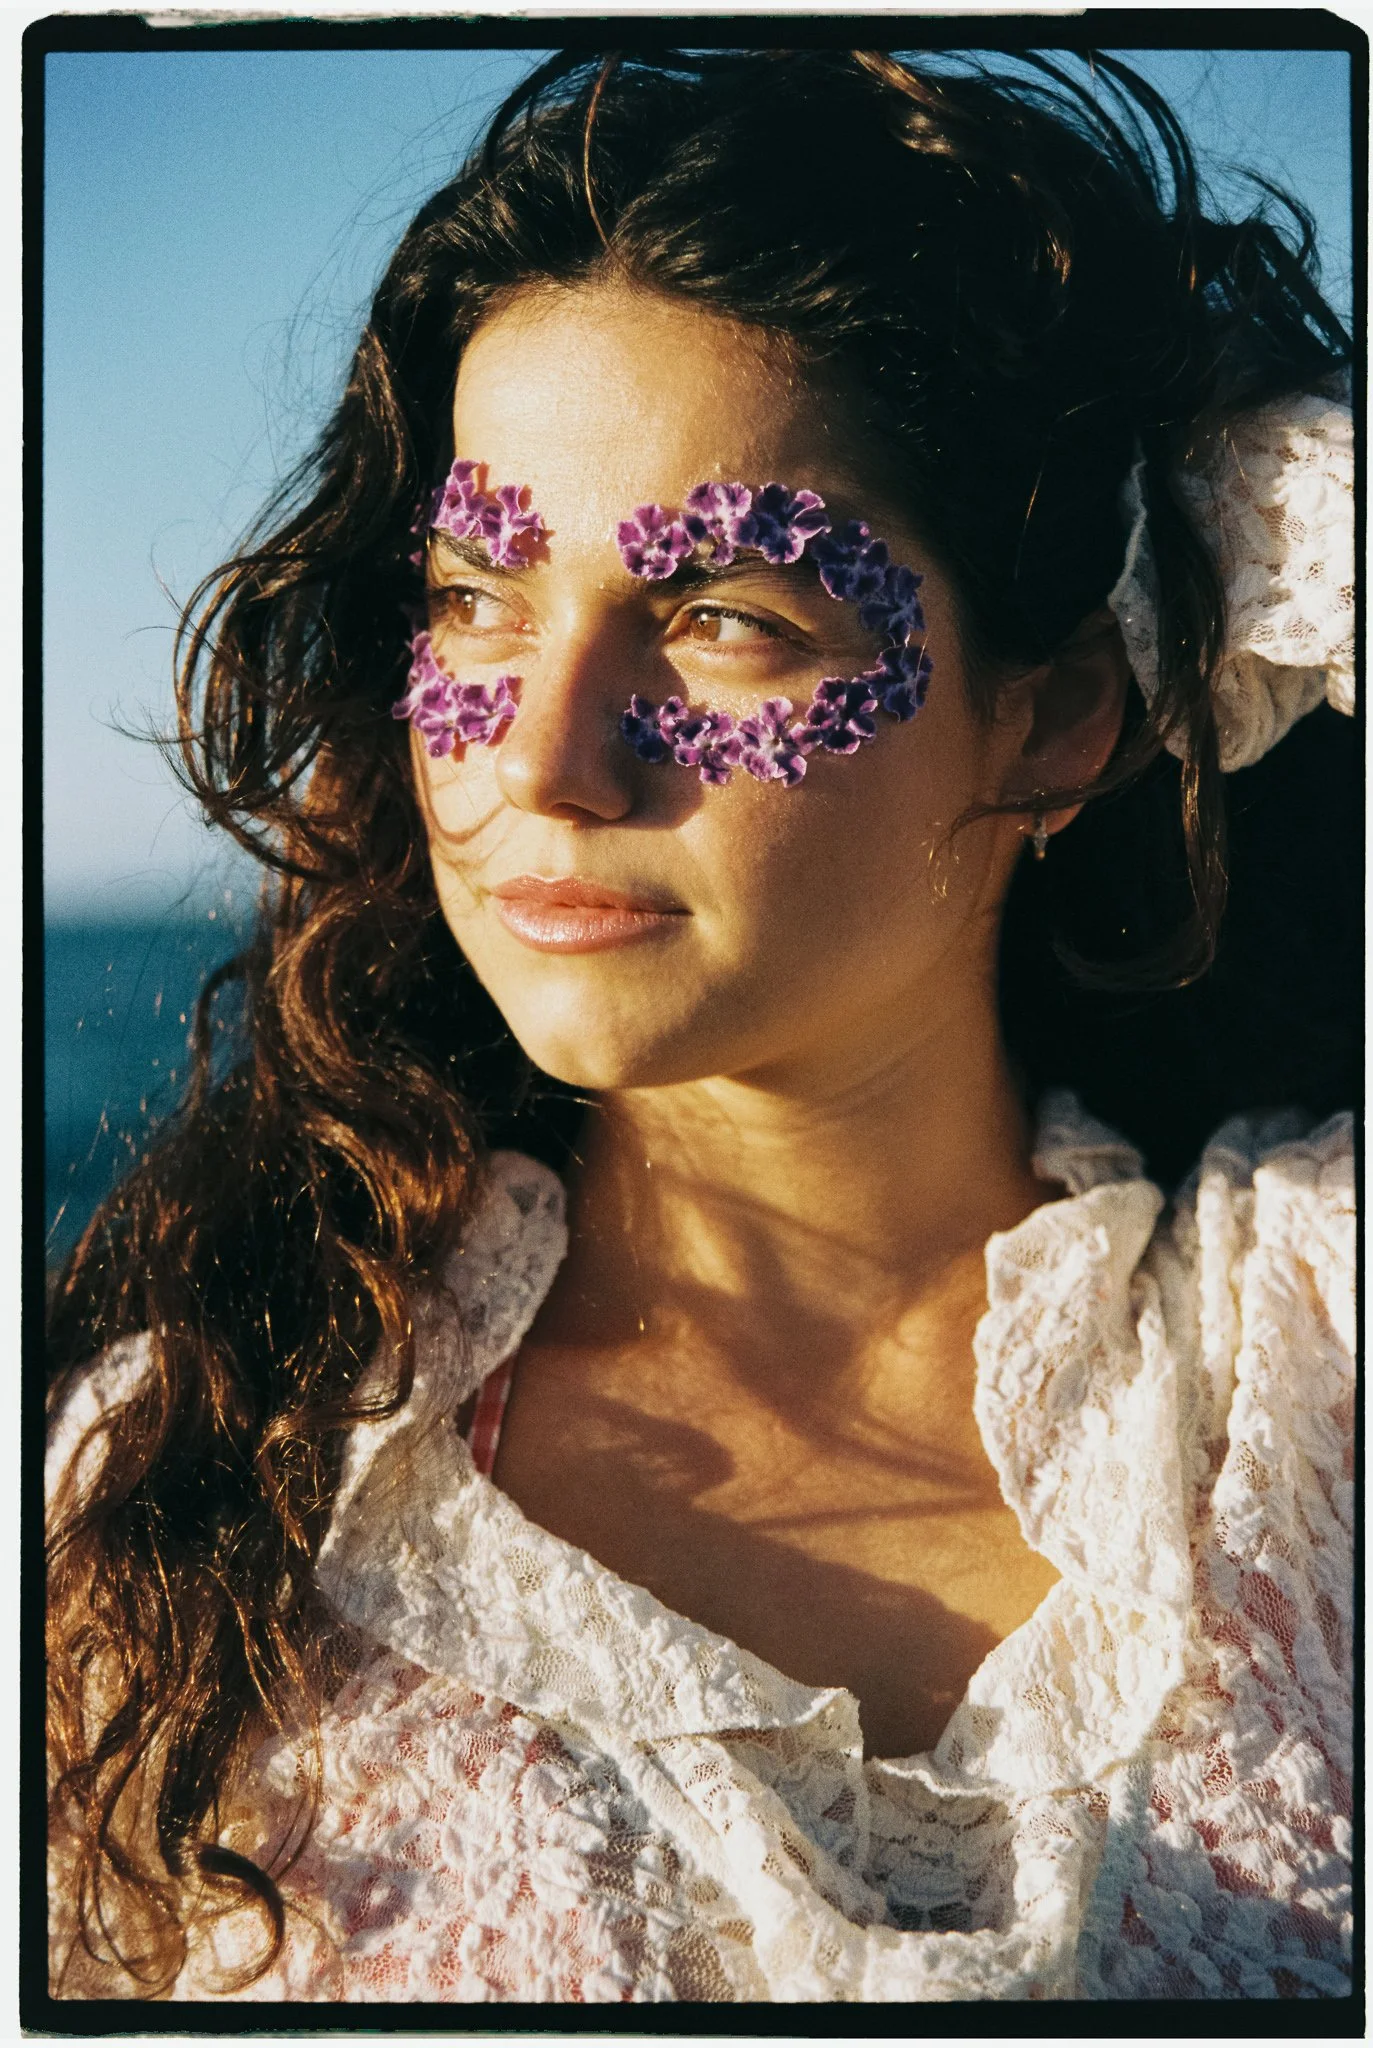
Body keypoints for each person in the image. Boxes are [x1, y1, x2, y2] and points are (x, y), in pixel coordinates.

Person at [46, 48, 1355, 2004]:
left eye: (727, 614)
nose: (548, 761)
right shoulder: (185, 1482)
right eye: (473, 594)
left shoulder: (1312, 1349)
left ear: (1062, 711)